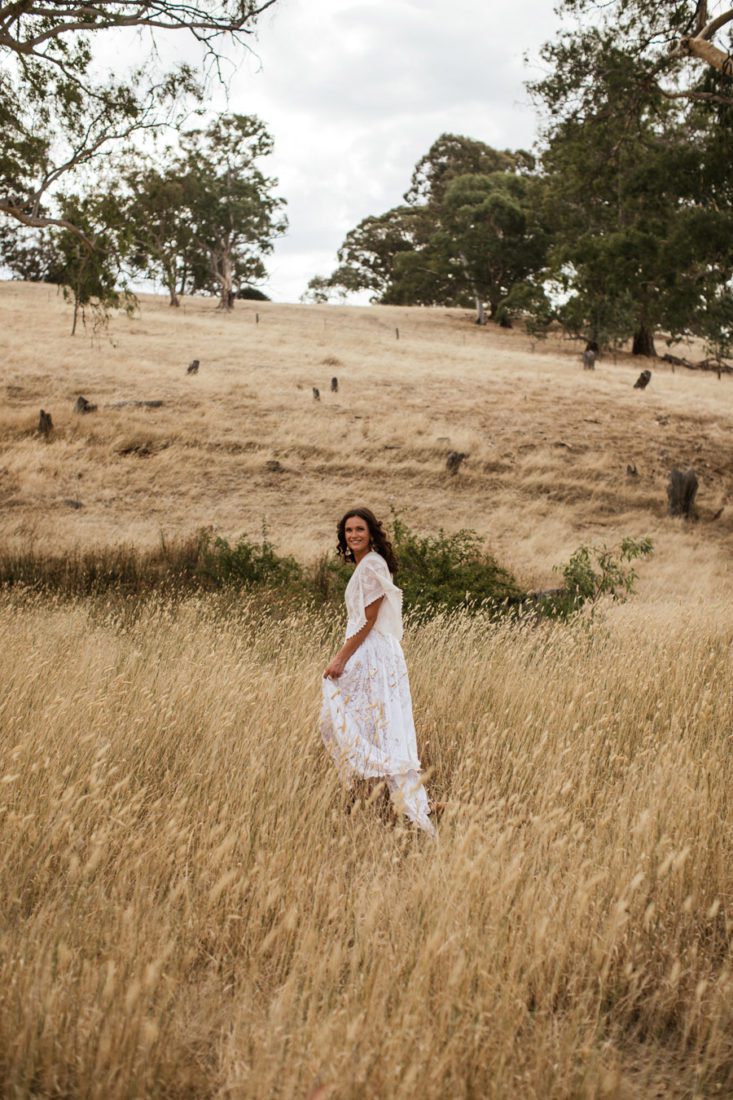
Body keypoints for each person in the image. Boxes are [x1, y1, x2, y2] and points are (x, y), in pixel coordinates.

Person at [321, 508, 435, 835]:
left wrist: (340, 658)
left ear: (371, 532)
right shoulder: (365, 565)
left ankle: (401, 805)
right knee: (358, 723)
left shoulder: (372, 564)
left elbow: (368, 619)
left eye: (359, 529)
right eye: (348, 531)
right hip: (369, 650)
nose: (353, 535)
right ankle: (380, 803)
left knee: (365, 724)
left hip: (371, 652)